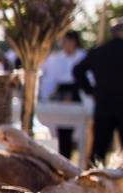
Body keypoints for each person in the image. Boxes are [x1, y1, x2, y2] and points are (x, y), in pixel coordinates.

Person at [74, 20, 123, 165]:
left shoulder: (99, 51)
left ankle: (94, 181)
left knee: (99, 150)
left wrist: (90, 90)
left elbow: (78, 70)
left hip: (103, 104)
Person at [39, 30, 86, 159]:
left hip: (78, 94)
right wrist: (46, 96)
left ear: (74, 42)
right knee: (61, 130)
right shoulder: (56, 59)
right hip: (60, 93)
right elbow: (50, 79)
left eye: (67, 41)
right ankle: (63, 157)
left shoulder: (83, 57)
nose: (64, 44)